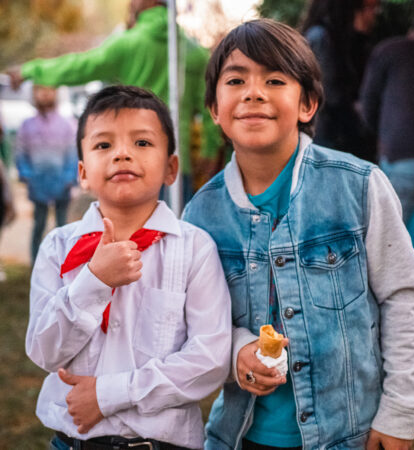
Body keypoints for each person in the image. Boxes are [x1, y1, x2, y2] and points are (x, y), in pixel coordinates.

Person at [182, 19, 414, 450]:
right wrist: (239, 349)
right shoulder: (200, 215)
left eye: (274, 80)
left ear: (308, 104)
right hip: (242, 438)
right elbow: (202, 324)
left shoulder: (359, 186)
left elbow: (403, 297)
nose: (254, 92)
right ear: (215, 109)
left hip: (349, 435)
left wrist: (400, 412)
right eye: (236, 79)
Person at [26, 85, 231, 450]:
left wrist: (108, 395)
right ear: (83, 172)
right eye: (104, 145)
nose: (122, 153)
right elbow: (44, 351)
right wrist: (93, 281)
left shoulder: (194, 248)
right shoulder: (58, 248)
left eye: (142, 143)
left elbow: (210, 359)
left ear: (171, 168)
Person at [8, 0, 221, 205]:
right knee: (175, 236)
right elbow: (209, 107)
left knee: (131, 238)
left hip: (130, 166)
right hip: (175, 165)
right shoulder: (193, 52)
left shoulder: (127, 43)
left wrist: (30, 71)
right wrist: (209, 152)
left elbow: (80, 66)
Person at [360, 5, 414, 359]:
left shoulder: (390, 50)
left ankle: (373, 332)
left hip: (400, 160)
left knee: (380, 247)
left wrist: (381, 136)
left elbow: (367, 106)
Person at [302, 0, 379, 162]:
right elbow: (330, 93)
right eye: (369, 8)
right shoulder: (322, 37)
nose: (375, 14)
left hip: (338, 134)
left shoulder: (348, 40)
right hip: (329, 134)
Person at [15, 85, 77, 263]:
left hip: (62, 185)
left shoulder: (67, 124)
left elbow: (72, 154)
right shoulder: (27, 125)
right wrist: (27, 175)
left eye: (49, 90)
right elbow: (21, 152)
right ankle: (36, 265)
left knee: (63, 226)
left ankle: (66, 264)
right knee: (38, 225)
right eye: (40, 90)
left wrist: (69, 178)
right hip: (37, 185)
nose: (45, 94)